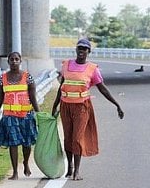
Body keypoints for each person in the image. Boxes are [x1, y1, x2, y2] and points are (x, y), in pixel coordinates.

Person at [52, 38, 124, 180]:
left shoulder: (92, 69)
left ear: (88, 52)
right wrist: (54, 106)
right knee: (68, 138)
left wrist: (117, 105)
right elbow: (61, 88)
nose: (81, 51)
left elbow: (102, 89)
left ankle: (77, 171)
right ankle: (70, 166)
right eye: (79, 48)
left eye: (84, 49)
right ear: (76, 50)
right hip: (66, 105)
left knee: (77, 138)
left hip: (82, 107)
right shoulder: (66, 65)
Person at [0, 52, 40, 180]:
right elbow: (0, 98)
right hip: (9, 116)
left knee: (26, 143)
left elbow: (33, 97)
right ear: (8, 62)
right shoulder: (3, 79)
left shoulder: (27, 77)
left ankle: (25, 162)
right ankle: (15, 172)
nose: (14, 61)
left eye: (16, 59)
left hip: (26, 115)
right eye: (11, 59)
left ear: (20, 61)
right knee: (13, 143)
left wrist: (39, 113)